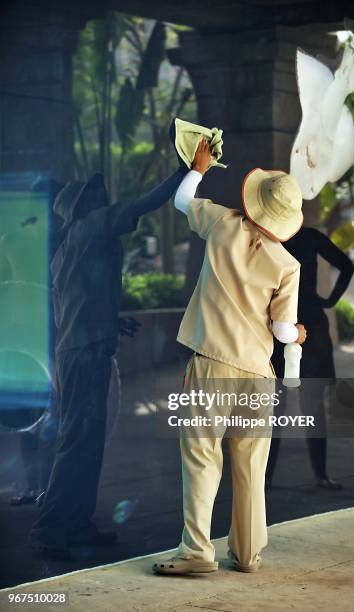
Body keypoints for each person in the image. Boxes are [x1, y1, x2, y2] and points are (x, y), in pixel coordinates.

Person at [153, 141, 306, 575]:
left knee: (202, 457)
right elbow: (281, 331)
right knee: (250, 466)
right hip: (258, 373)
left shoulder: (222, 222)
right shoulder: (288, 264)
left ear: (253, 201)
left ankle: (198, 553)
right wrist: (297, 333)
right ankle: (247, 553)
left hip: (212, 363)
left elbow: (183, 200)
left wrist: (199, 167)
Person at [29, 166, 186, 560]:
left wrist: (112, 320)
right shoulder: (91, 226)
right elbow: (147, 202)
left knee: (86, 443)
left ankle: (76, 525)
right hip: (85, 354)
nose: (104, 199)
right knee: (78, 442)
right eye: (95, 196)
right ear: (83, 207)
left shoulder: (70, 249)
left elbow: (75, 306)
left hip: (80, 350)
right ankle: (50, 528)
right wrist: (185, 171)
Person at [266, 227, 354, 490]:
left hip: (278, 323)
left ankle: (266, 477)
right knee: (309, 404)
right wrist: (329, 301)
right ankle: (320, 475)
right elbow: (347, 267)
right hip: (309, 321)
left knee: (275, 406)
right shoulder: (309, 236)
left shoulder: (269, 235)